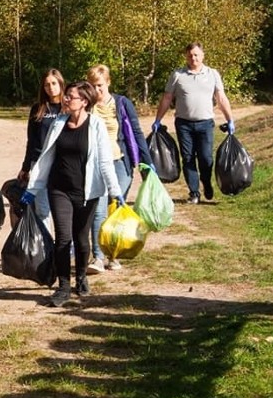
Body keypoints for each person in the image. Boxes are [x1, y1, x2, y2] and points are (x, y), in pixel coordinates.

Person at [22, 81, 124, 307]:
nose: (66, 100)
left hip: (88, 192)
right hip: (59, 189)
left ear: (84, 101)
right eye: (66, 96)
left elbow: (105, 162)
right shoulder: (58, 123)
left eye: (71, 97)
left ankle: (81, 278)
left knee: (81, 239)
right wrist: (33, 188)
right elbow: (45, 157)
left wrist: (115, 191)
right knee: (63, 238)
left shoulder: (96, 125)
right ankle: (63, 287)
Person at [86, 64, 154, 274]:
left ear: (108, 83)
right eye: (92, 85)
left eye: (99, 85)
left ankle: (113, 255)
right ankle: (97, 257)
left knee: (115, 208)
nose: (96, 90)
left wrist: (147, 162)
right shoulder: (87, 106)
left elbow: (136, 132)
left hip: (120, 162)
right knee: (98, 210)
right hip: (95, 164)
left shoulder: (122, 104)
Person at [153, 42, 235, 204]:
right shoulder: (178, 75)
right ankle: (194, 192)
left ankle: (206, 182)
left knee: (206, 158)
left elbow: (221, 98)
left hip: (205, 124)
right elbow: (167, 98)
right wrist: (158, 120)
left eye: (196, 55)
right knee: (188, 158)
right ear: (186, 56)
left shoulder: (212, 74)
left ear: (202, 56)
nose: (193, 58)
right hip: (184, 124)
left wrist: (230, 119)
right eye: (190, 55)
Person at [16, 68, 65, 229]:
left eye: (54, 83)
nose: (51, 88)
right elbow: (31, 140)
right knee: (43, 210)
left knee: (62, 210)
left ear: (60, 83)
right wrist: (25, 167)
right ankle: (47, 248)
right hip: (39, 164)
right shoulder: (38, 109)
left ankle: (66, 246)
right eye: (46, 85)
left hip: (62, 165)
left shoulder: (68, 108)